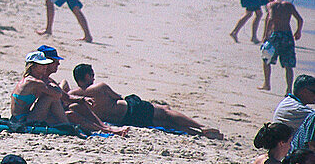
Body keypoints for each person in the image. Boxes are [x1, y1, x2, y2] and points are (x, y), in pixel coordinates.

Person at [67, 63, 222, 137]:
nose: (93, 78)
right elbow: (118, 97)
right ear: (87, 76)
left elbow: (63, 89)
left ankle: (196, 134)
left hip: (126, 120)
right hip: (131, 108)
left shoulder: (73, 97)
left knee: (165, 124)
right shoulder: (99, 87)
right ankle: (201, 127)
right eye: (92, 75)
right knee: (165, 111)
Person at [261, 0, 303, 93]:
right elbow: (300, 19)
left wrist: (266, 35)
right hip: (287, 35)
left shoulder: (271, 5)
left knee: (266, 58)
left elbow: (271, 18)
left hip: (276, 35)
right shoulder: (289, 5)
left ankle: (267, 84)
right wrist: (298, 31)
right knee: (288, 65)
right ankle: (288, 89)